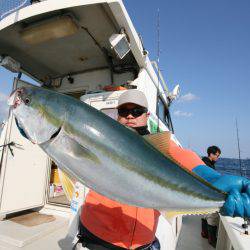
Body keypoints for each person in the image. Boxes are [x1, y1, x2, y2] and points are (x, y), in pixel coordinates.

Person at [77, 89, 161, 249]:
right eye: (124, 111)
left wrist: (207, 174)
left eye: (137, 111)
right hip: (99, 237)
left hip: (142, 241)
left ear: (147, 115)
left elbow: (183, 157)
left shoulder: (159, 148)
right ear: (117, 115)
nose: (130, 116)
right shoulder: (103, 136)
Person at [201, 146, 221, 248]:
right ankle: (212, 240)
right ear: (211, 154)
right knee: (213, 215)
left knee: (204, 213)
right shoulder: (208, 166)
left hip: (202, 193)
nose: (217, 157)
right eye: (216, 155)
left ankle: (204, 233)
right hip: (208, 194)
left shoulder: (203, 162)